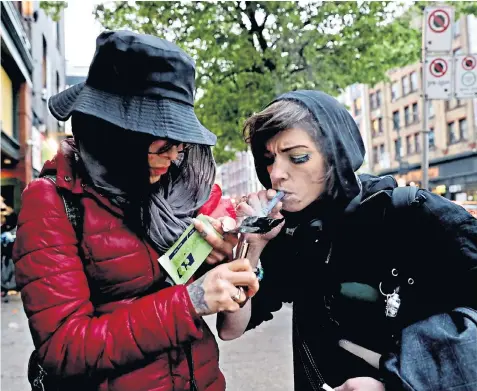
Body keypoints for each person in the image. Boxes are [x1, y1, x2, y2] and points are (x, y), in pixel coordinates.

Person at [13, 30, 258, 391]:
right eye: (163, 145)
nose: (174, 157)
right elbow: (64, 347)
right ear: (117, 136)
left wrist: (217, 256)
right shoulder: (51, 202)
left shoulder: (175, 188)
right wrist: (189, 302)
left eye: (181, 146)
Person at [217, 90, 477, 391]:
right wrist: (251, 248)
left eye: (298, 157)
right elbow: (230, 328)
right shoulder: (292, 233)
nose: (277, 174)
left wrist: (397, 380)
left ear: (335, 155)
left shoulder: (410, 215)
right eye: (268, 160)